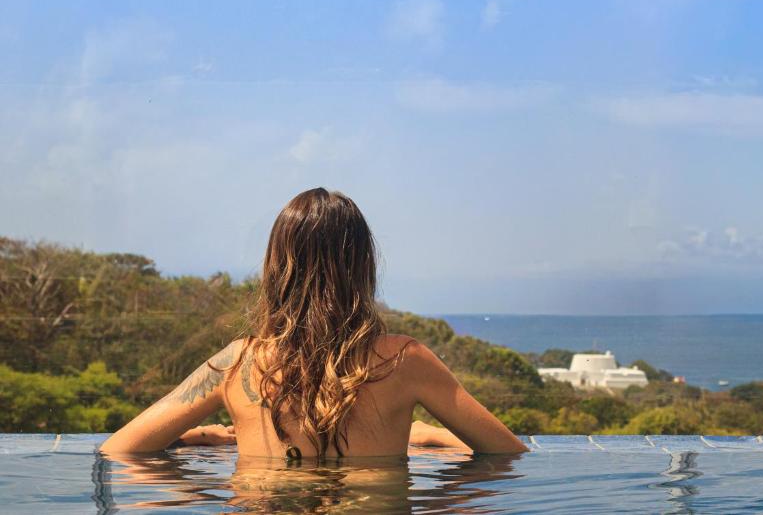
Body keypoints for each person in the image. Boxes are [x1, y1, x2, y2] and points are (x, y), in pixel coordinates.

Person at [101, 188, 527, 458]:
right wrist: (428, 434)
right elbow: (508, 453)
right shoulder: (404, 360)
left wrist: (202, 441)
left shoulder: (237, 363)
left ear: (275, 268)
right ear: (362, 268)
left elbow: (119, 449)